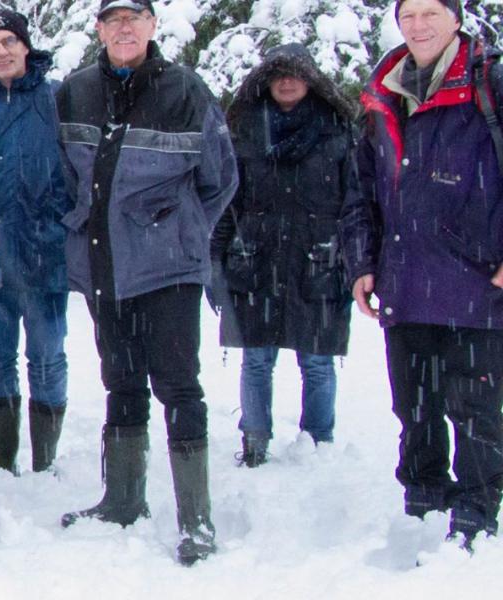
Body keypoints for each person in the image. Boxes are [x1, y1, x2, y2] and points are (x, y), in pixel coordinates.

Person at [55, 0, 238, 566]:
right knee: (121, 381)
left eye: (134, 17)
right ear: (99, 29)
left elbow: (219, 179)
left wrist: (174, 230)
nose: (124, 27)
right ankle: (123, 499)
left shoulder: (185, 90)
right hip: (104, 266)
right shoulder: (76, 91)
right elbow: (64, 175)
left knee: (179, 386)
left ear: (153, 26)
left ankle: (196, 518)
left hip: (168, 270)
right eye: (113, 19)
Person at [346, 0, 503, 549]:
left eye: (430, 13)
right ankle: (423, 499)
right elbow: (360, 189)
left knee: (475, 408)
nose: (418, 25)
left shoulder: (490, 84)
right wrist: (362, 262)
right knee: (414, 405)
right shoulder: (385, 92)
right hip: (405, 280)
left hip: (477, 281)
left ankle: (477, 514)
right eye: (408, 14)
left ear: (456, 18)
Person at [213, 43, 358, 467]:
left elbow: (355, 203)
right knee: (256, 359)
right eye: (278, 75)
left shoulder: (338, 133)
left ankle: (318, 442)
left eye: (295, 74)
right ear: (265, 82)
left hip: (320, 261)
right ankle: (254, 440)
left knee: (317, 360)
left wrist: (357, 260)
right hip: (255, 261)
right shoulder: (244, 132)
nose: (287, 82)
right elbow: (226, 204)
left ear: (312, 81)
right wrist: (214, 260)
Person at [0, 9, 73, 474]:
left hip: (46, 252)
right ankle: (4, 459)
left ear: (25, 45)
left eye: (8, 42)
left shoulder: (56, 99)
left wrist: (61, 222)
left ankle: (45, 458)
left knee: (47, 356)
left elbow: (78, 169)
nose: (1, 52)